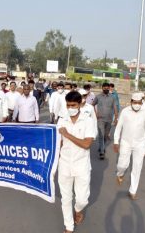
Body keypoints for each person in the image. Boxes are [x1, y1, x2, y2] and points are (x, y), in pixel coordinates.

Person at [57, 91, 96, 233]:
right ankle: (69, 226)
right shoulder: (62, 119)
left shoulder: (88, 120)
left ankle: (78, 210)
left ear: (80, 104)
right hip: (65, 164)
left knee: (82, 199)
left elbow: (87, 144)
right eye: (68, 105)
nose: (70, 108)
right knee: (65, 198)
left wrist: (67, 134)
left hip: (81, 165)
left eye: (73, 105)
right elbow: (58, 143)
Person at [113, 93, 145, 200]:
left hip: (140, 144)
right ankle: (120, 173)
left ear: (141, 103)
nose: (137, 105)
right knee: (123, 165)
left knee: (137, 167)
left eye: (139, 103)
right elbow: (118, 127)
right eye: (135, 103)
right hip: (126, 142)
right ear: (131, 102)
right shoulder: (125, 111)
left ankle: (133, 190)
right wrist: (116, 141)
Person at [92, 82, 118, 160]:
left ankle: (101, 146)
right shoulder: (98, 97)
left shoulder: (112, 97)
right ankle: (102, 152)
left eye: (107, 88)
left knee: (106, 136)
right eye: (105, 88)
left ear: (109, 88)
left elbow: (115, 107)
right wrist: (95, 114)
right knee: (101, 134)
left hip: (109, 119)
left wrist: (116, 118)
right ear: (102, 88)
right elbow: (92, 105)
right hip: (100, 119)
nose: (106, 89)